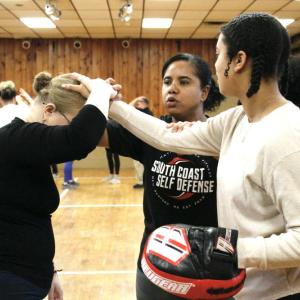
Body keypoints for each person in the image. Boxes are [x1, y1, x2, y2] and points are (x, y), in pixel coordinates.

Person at [98, 12, 300, 299]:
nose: (216, 65)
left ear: (238, 61)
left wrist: (224, 248)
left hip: (279, 294)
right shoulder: (236, 120)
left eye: (218, 54)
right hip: (239, 289)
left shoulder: (289, 134)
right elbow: (167, 136)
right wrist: (111, 103)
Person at [66, 52, 225, 299]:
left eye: (183, 82)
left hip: (209, 267)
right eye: (167, 81)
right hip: (155, 265)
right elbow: (89, 134)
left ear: (204, 92)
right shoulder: (148, 131)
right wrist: (97, 98)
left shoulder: (223, 135)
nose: (172, 89)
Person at [0, 73, 116, 299]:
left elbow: (28, 216)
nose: (65, 133)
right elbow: (79, 140)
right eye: (71, 123)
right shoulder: (15, 139)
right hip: (10, 279)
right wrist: (100, 89)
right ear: (49, 111)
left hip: (29, 276)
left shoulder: (28, 147)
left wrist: (49, 270)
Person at [129, 96, 153, 189]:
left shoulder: (144, 112)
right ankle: (143, 181)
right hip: (143, 141)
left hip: (141, 142)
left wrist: (135, 99)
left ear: (145, 104)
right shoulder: (147, 112)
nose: (137, 103)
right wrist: (137, 99)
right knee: (141, 164)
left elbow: (128, 107)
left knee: (139, 163)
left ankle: (141, 182)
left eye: (140, 102)